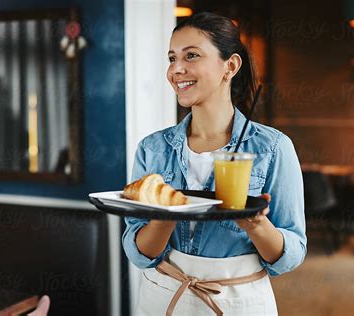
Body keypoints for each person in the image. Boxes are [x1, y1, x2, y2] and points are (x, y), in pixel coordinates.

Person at [122, 12, 306, 315]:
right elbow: (139, 252)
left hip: (238, 301)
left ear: (230, 66)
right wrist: (165, 217)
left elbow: (292, 254)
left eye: (191, 55)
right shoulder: (152, 149)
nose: (176, 70)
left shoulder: (274, 148)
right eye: (172, 58)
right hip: (164, 296)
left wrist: (256, 224)